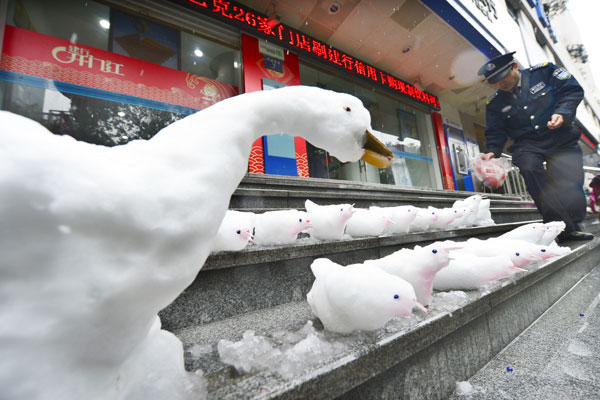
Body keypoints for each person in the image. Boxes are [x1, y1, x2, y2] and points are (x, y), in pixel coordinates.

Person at [478, 51, 593, 242]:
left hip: (560, 137)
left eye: (503, 77)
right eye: (495, 81)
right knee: (529, 167)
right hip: (528, 144)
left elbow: (572, 90)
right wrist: (492, 150)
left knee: (568, 181)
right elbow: (495, 129)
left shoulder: (545, 73)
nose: (501, 84)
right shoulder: (495, 102)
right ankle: (559, 228)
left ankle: (573, 224)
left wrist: (562, 112)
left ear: (514, 66)